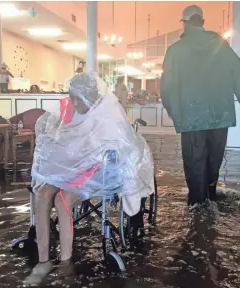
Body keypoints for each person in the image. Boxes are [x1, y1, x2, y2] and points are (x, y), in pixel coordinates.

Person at [24, 72, 154, 285]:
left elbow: (118, 149)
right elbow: (59, 141)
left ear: (90, 96)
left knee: (62, 199)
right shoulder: (68, 112)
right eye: (72, 97)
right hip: (70, 168)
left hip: (96, 171)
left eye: (79, 98)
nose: (75, 102)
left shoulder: (106, 115)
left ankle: (65, 262)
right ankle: (43, 260)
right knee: (42, 194)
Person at [161, 5, 240, 207]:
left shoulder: (175, 51)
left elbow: (166, 87)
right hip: (221, 115)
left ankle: (197, 209)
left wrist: (174, 112)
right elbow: (239, 72)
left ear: (184, 24)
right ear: (202, 21)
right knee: (214, 160)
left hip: (191, 118)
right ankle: (211, 198)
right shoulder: (221, 45)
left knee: (195, 163)